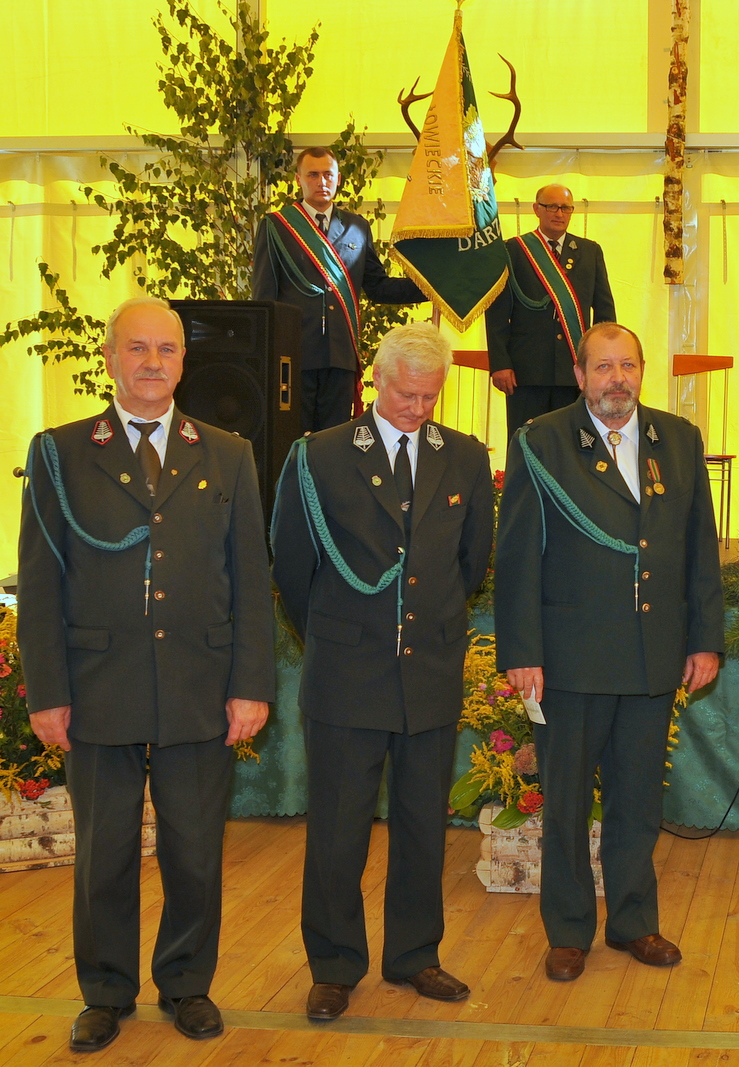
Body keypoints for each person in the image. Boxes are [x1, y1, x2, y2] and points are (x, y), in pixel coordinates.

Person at [16, 297, 275, 1052]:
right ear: (110, 359)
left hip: (201, 682)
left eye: (166, 349)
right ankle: (105, 992)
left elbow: (249, 579)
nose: (153, 362)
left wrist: (251, 683)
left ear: (184, 362)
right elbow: (41, 583)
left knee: (195, 849)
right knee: (105, 851)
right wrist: (48, 691)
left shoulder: (227, 454)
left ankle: (187, 983)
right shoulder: (61, 453)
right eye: (137, 348)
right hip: (99, 683)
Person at [271, 322, 494, 1022]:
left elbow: (471, 563)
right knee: (338, 830)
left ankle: (415, 955)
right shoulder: (319, 456)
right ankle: (334, 965)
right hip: (346, 674)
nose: (419, 408)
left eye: (430, 396)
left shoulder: (464, 457)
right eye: (406, 394)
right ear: (376, 379)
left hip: (429, 671)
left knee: (424, 825)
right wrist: (340, 634)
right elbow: (292, 567)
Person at [495, 321, 723, 982]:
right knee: (566, 804)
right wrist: (523, 651)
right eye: (603, 367)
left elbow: (698, 548)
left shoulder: (677, 440)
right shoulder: (541, 442)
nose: (617, 379)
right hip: (569, 659)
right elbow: (517, 557)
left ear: (642, 371)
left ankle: (633, 921)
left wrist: (704, 638)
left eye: (628, 366)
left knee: (638, 800)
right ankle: (568, 930)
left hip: (652, 655)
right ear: (580, 375)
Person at [251, 146, 426, 433]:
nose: (321, 182)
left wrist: (431, 287)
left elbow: (379, 288)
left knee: (336, 441)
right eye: (313, 175)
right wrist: (267, 357)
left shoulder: (358, 227)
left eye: (328, 175)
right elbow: (264, 296)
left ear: (338, 179)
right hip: (293, 355)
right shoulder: (276, 226)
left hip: (341, 355)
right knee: (290, 438)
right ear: (298, 179)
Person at [486, 183, 617, 445]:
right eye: (552, 207)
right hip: (526, 371)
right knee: (526, 441)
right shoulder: (514, 251)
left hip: (575, 371)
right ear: (536, 209)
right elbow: (498, 314)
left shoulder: (589, 252)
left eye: (566, 208)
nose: (559, 213)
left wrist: (604, 364)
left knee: (575, 444)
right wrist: (500, 364)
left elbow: (604, 312)